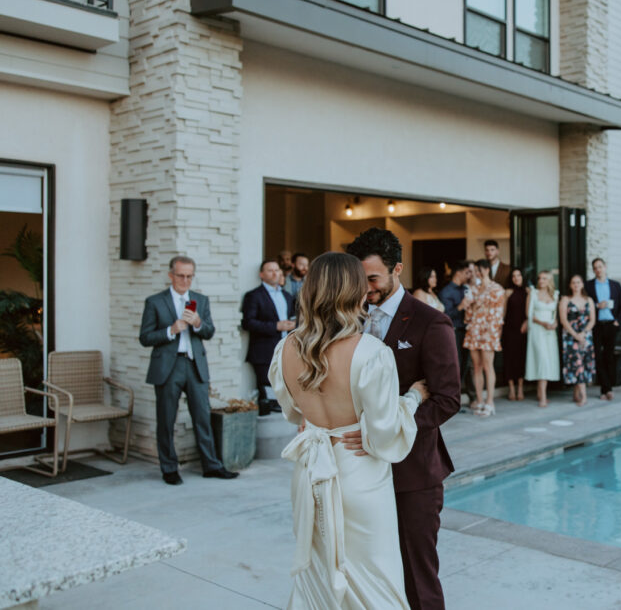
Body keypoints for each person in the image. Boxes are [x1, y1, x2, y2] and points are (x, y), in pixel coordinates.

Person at [271, 252, 428, 609]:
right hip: (359, 475)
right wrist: (415, 397)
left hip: (310, 474)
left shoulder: (285, 349)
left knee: (318, 584)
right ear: (356, 294)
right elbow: (386, 431)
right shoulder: (371, 353)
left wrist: (319, 419)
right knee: (378, 586)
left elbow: (293, 411)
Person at [343, 227, 461, 610]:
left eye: (373, 279)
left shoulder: (431, 323)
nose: (366, 288)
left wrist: (386, 430)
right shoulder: (350, 319)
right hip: (362, 472)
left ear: (397, 269)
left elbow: (447, 399)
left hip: (413, 475)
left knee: (417, 576)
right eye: (360, 280)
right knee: (372, 573)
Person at [138, 256, 237, 485]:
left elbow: (209, 331)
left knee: (203, 418)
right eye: (181, 275)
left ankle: (211, 465)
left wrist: (199, 323)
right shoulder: (155, 302)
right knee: (166, 419)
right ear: (171, 275)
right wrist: (170, 330)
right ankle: (169, 468)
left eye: (190, 276)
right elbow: (144, 337)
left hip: (194, 366)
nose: (185, 280)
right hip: (168, 368)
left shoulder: (200, 300)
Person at [241, 259, 297, 416]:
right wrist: (275, 326)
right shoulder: (253, 296)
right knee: (268, 397)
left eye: (277, 270)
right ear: (261, 274)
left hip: (286, 350)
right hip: (263, 351)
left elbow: (294, 317)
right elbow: (248, 323)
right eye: (270, 270)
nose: (275, 273)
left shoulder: (287, 295)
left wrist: (294, 325)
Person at [463, 259, 506, 417]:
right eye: (475, 271)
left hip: (489, 330)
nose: (476, 274)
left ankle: (490, 402)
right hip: (474, 328)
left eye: (479, 270)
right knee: (476, 366)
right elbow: (468, 314)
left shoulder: (497, 289)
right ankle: (480, 400)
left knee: (488, 366)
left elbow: (498, 313)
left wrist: (493, 332)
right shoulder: (473, 289)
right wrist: (469, 305)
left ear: (486, 270)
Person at [585, 258, 621, 401]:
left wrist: (617, 321)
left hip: (611, 324)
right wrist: (597, 306)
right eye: (595, 268)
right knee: (598, 356)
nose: (598, 270)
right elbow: (586, 306)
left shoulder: (615, 285)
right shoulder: (588, 286)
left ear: (605, 267)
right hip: (596, 325)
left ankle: (607, 389)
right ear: (593, 270)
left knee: (609, 357)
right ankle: (605, 389)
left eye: (600, 267)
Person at [438, 260, 474, 405]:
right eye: (467, 273)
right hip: (453, 332)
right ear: (458, 273)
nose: (469, 275)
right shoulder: (446, 292)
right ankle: (453, 399)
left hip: (467, 331)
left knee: (466, 365)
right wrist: (461, 306)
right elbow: (445, 316)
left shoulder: (465, 289)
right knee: (456, 365)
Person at [559, 274, 596, 406]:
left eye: (578, 282)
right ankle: (583, 397)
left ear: (582, 284)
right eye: (573, 283)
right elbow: (563, 320)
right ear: (570, 285)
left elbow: (592, 320)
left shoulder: (589, 300)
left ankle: (576, 393)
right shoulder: (565, 300)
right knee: (577, 363)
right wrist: (575, 335)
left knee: (584, 363)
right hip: (570, 336)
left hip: (585, 336)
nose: (576, 285)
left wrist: (584, 333)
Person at [525, 270, 560, 407]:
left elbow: (555, 315)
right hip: (537, 330)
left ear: (549, 280)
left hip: (550, 333)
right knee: (542, 360)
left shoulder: (555, 294)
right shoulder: (533, 293)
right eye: (539, 278)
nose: (541, 281)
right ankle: (542, 397)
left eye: (544, 278)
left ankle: (541, 393)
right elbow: (528, 314)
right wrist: (543, 323)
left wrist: (555, 324)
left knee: (548, 360)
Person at [501, 268, 528, 401]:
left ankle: (520, 388)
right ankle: (511, 388)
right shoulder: (507, 292)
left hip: (522, 330)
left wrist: (527, 321)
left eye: (519, 275)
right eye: (514, 276)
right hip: (509, 330)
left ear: (522, 277)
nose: (516, 278)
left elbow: (530, 311)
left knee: (521, 358)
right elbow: (503, 313)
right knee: (510, 358)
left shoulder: (528, 291)